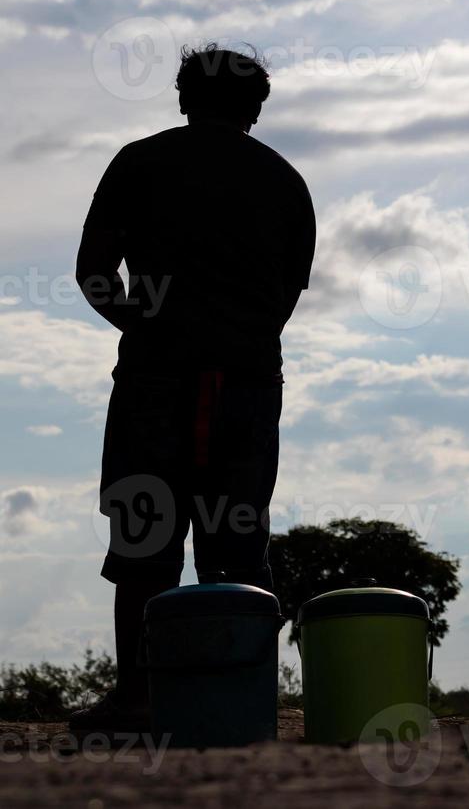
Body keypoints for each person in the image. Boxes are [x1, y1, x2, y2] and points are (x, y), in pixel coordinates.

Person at [69, 45, 316, 735]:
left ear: (183, 97)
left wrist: (142, 327)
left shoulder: (140, 162)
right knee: (238, 541)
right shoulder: (285, 181)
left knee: (143, 535)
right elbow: (285, 297)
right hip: (248, 384)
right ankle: (244, 700)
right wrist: (239, 346)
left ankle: (139, 699)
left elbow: (93, 272)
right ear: (256, 109)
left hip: (155, 382)